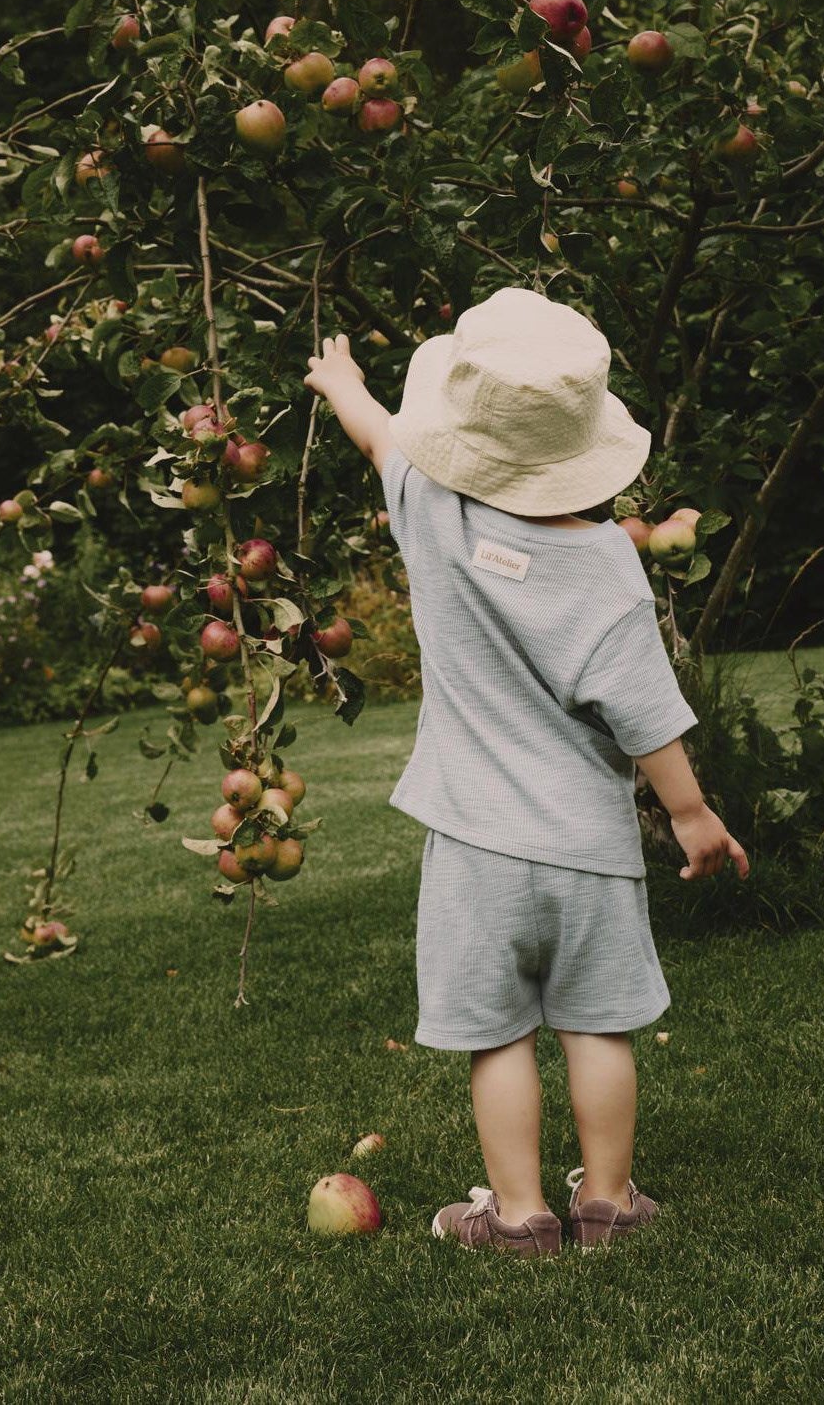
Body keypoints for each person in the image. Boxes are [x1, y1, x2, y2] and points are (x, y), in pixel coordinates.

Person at [304, 286, 749, 1257]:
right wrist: (691, 813)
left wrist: (341, 380)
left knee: (499, 1036)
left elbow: (382, 437)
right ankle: (611, 1205)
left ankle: (517, 1215)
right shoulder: (606, 566)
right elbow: (643, 710)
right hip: (587, 849)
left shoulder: (432, 517)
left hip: (473, 846)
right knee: (599, 1027)